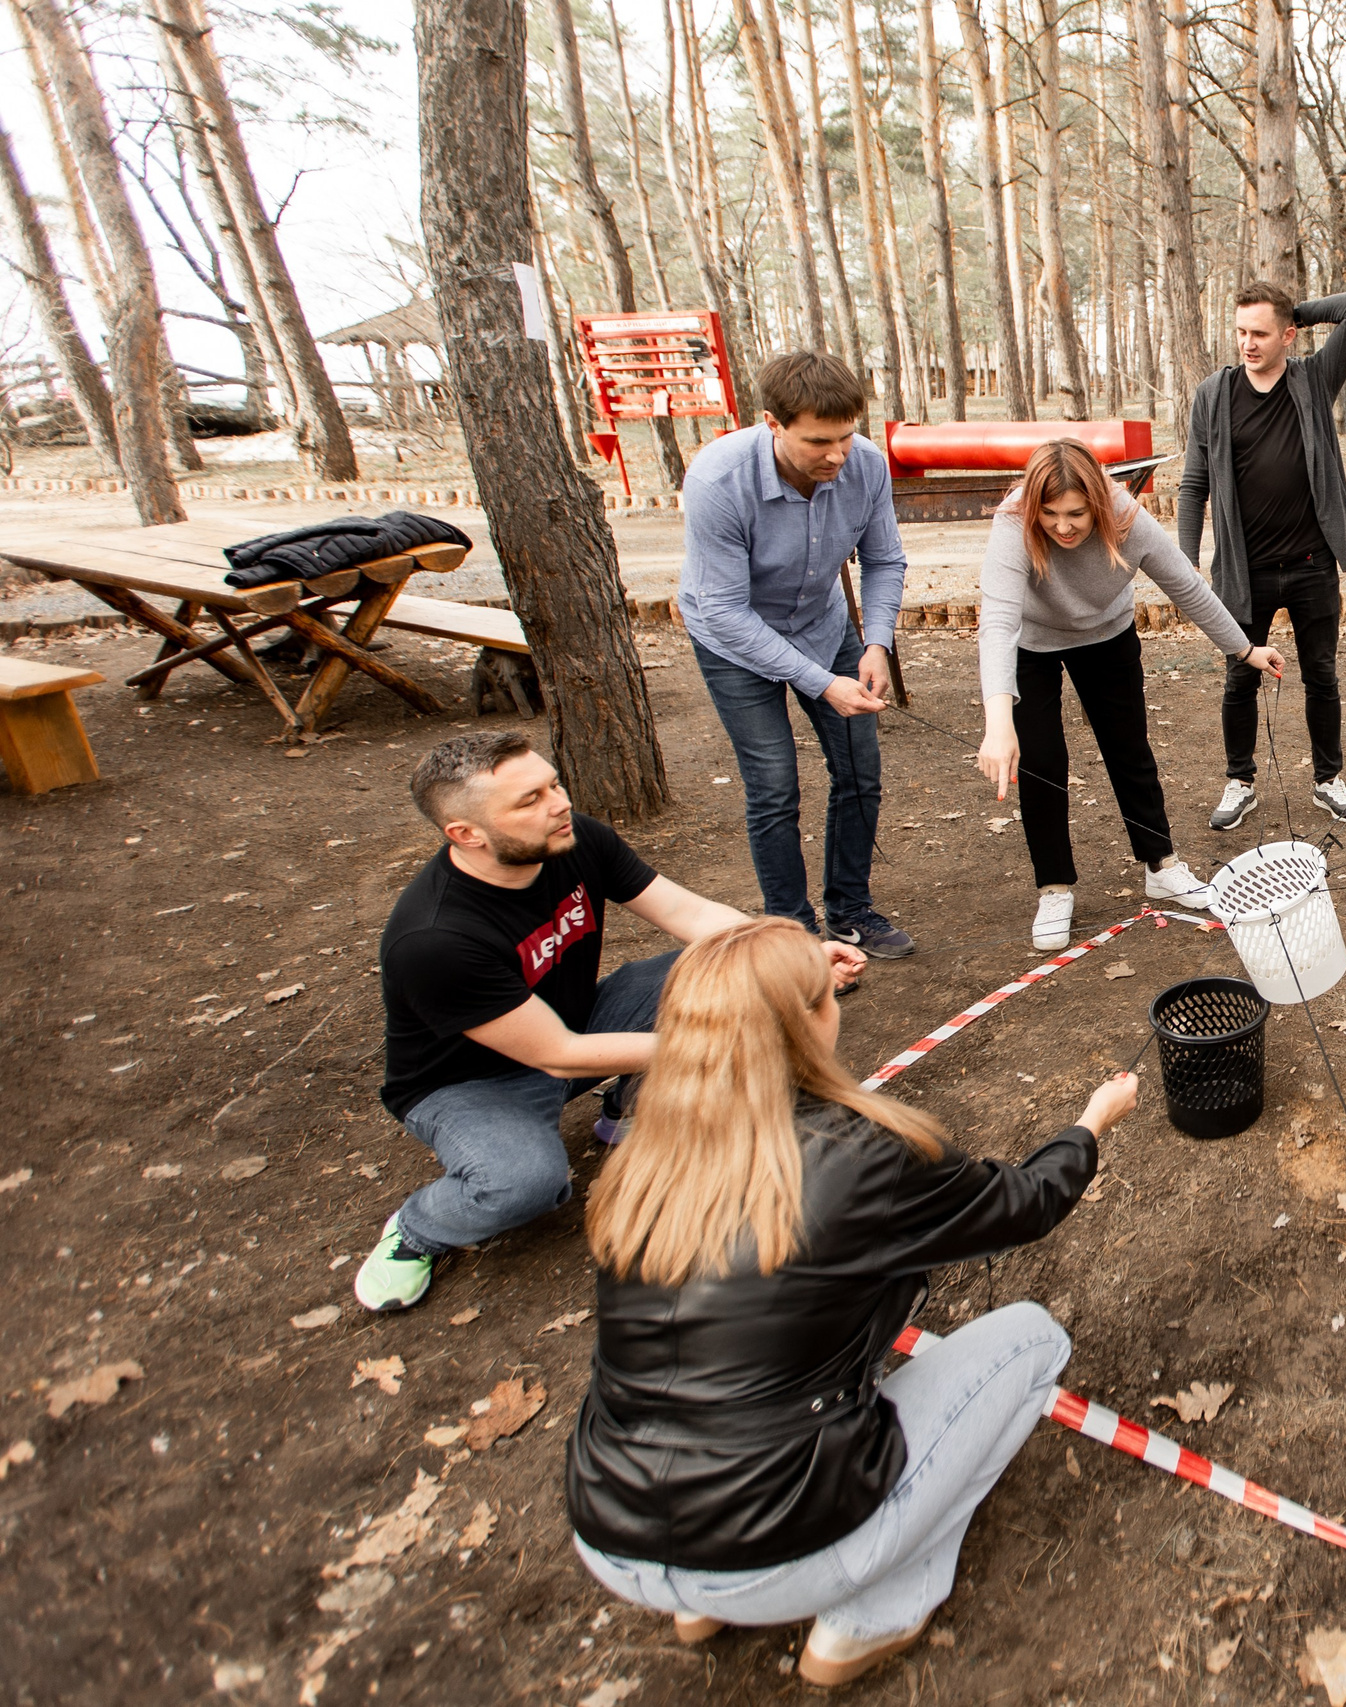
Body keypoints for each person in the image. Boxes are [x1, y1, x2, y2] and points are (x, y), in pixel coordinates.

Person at [566, 918, 1137, 1686]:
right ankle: (869, 1617)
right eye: (823, 995)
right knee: (1034, 1340)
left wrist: (797, 961)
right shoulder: (861, 1156)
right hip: (773, 1536)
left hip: (612, 1529)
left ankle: (700, 1603)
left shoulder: (641, 1153)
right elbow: (1026, 1203)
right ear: (810, 1022)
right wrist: (1091, 1122)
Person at [358, 733, 864, 1314]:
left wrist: (794, 953)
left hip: (576, 1025)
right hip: (473, 1085)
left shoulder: (574, 840)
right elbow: (557, 1055)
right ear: (466, 834)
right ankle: (418, 1228)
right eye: (528, 800)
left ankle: (627, 1104)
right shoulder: (435, 939)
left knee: (724, 972)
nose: (558, 804)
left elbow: (689, 914)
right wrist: (721, 1042)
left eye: (553, 784)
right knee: (526, 1184)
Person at [975, 437, 1287, 948]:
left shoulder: (1126, 517)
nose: (1063, 526)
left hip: (1106, 635)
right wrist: (998, 721)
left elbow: (1185, 585)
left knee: (1128, 749)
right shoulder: (1013, 522)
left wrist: (1242, 648)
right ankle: (1054, 887)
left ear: (1097, 501)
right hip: (1032, 642)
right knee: (1041, 760)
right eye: (1050, 514)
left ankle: (1160, 863)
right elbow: (998, 622)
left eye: (1076, 513)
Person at [678, 350, 913, 958]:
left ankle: (850, 909)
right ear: (772, 424)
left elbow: (884, 559)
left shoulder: (864, 465)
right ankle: (791, 932)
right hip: (734, 639)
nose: (837, 455)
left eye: (846, 435)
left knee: (859, 771)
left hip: (823, 623)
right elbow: (726, 611)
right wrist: (820, 681)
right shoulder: (717, 481)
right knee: (775, 784)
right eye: (817, 442)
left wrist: (877, 643)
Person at [1178, 280, 1346, 833]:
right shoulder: (1213, 397)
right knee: (1240, 679)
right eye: (1241, 332)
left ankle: (1328, 779)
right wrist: (1186, 556)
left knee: (1322, 675)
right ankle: (1239, 782)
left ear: (1289, 335)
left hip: (1313, 564)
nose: (1247, 343)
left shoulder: (1313, 379)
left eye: (1261, 332)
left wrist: (1297, 311)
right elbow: (1193, 484)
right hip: (1247, 572)